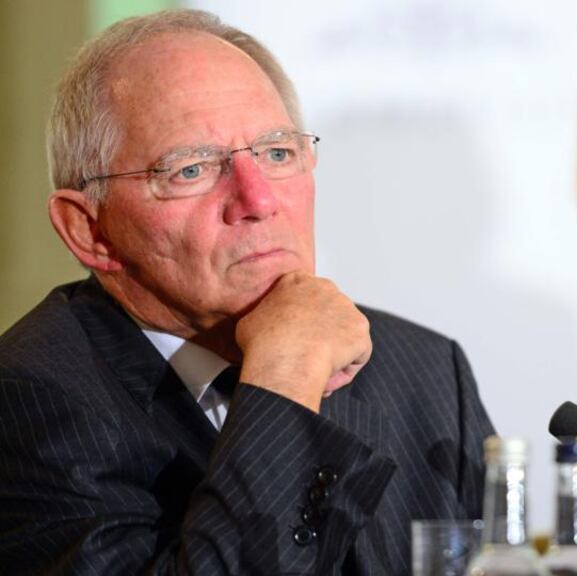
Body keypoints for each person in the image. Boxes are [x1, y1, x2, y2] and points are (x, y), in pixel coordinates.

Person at [0, 9, 494, 575]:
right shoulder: (27, 401)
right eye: (191, 170)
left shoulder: (424, 371)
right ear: (90, 231)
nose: (258, 201)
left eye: (278, 154)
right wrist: (284, 378)